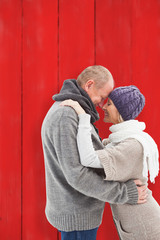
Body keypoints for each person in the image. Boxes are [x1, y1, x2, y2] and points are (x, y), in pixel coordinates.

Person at [41, 66, 147, 240]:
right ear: (89, 84)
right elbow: (77, 175)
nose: (101, 104)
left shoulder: (74, 111)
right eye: (102, 97)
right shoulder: (66, 116)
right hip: (77, 216)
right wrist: (124, 193)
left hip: (79, 213)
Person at [61, 85, 160, 240]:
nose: (103, 106)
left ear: (121, 111)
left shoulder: (132, 145)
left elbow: (90, 158)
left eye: (110, 104)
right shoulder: (118, 141)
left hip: (144, 225)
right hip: (134, 223)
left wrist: (83, 116)